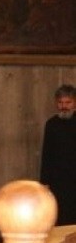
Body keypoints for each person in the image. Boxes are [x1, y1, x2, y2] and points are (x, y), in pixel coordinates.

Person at [40, 84, 76, 225]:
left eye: (68, 102)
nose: (64, 106)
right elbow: (46, 153)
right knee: (58, 219)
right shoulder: (51, 124)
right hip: (57, 182)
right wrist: (44, 182)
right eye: (61, 103)